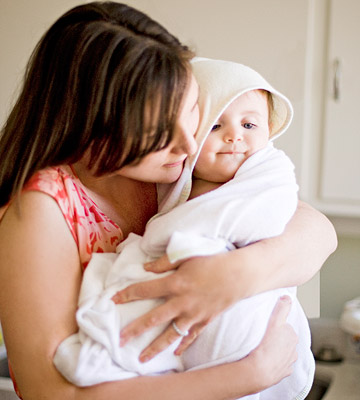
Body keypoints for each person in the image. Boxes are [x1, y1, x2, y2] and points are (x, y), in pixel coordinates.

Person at [0, 2, 337, 400]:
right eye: (158, 130)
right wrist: (249, 374)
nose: (189, 142)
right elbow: (51, 393)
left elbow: (315, 230)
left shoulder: (171, 168)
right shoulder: (42, 210)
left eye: (192, 110)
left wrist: (239, 274)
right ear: (92, 126)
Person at [53, 58, 314, 400]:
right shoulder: (167, 181)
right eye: (215, 126)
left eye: (250, 125)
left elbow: (304, 230)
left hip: (255, 322)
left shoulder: (267, 178)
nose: (235, 135)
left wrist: (238, 268)